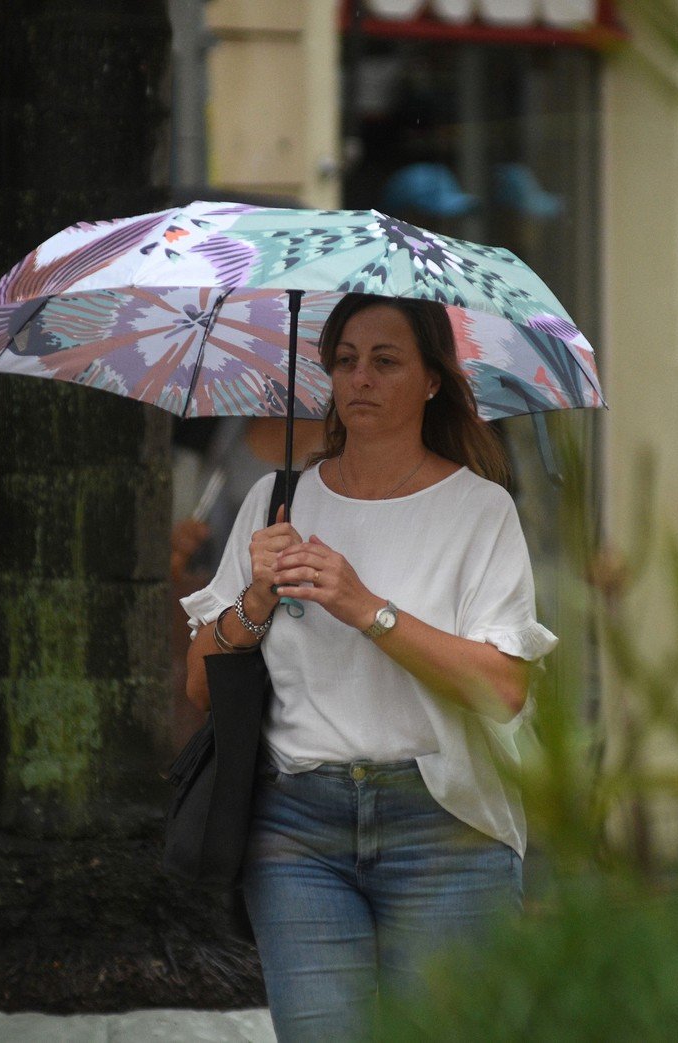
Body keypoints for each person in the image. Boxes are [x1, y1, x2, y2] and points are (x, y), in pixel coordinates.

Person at [182, 293, 555, 1042]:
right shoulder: (274, 501)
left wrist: (367, 608)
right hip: (296, 826)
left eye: (385, 361)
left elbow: (503, 684)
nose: (361, 378)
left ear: (429, 381)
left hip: (445, 823)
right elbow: (200, 684)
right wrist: (254, 598)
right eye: (345, 360)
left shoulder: (479, 510)